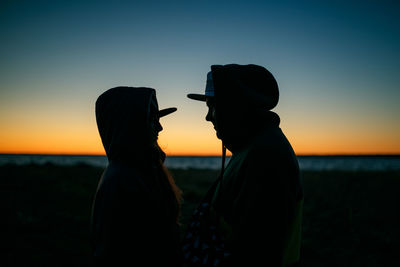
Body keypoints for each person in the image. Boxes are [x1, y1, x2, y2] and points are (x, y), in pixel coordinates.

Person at [185, 64, 303, 267]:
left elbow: (257, 251)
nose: (207, 117)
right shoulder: (251, 146)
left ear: (234, 107)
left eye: (212, 106)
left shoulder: (265, 156)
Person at [91, 86, 183, 267]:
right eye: (152, 119)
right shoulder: (120, 180)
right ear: (129, 125)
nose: (160, 126)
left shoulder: (142, 170)